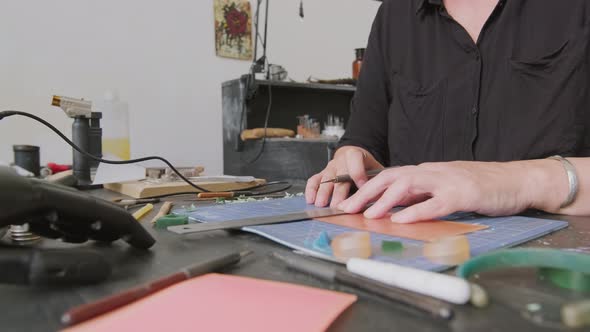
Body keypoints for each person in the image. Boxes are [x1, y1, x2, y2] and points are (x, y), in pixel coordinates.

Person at [305, 0, 590, 223]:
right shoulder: (394, 16)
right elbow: (363, 141)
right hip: (413, 251)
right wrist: (351, 159)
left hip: (554, 270)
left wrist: (511, 182)